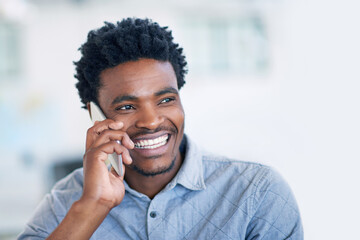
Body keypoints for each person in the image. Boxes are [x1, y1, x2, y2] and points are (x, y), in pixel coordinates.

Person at [18, 18, 303, 240]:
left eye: (166, 99)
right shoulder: (67, 203)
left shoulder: (257, 191)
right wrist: (94, 206)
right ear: (97, 116)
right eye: (127, 107)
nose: (152, 121)